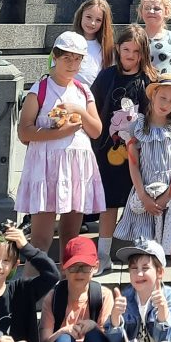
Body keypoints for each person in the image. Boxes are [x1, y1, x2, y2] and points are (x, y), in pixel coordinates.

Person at [15, 30, 106, 263]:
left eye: (77, 59)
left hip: (76, 167)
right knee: (41, 239)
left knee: (71, 237)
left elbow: (96, 130)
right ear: (55, 57)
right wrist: (59, 132)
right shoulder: (40, 90)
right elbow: (24, 132)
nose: (72, 64)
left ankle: (68, 281)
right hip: (46, 167)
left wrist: (78, 111)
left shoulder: (83, 90)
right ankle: (34, 281)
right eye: (67, 58)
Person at [113, 72, 171, 302]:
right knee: (147, 253)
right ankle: (148, 304)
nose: (165, 104)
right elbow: (133, 164)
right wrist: (143, 196)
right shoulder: (138, 126)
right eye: (163, 97)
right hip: (145, 192)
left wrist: (168, 196)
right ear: (154, 94)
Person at [91, 24, 158, 276]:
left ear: (143, 53)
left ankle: (141, 257)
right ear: (118, 48)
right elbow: (94, 106)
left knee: (139, 202)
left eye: (136, 51)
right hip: (108, 150)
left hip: (141, 152)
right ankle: (103, 255)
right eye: (126, 49)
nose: (130, 55)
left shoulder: (150, 80)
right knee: (108, 204)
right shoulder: (106, 76)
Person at [72, 0, 115, 88]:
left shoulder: (107, 49)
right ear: (81, 15)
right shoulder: (68, 41)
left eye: (98, 20)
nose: (92, 23)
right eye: (88, 17)